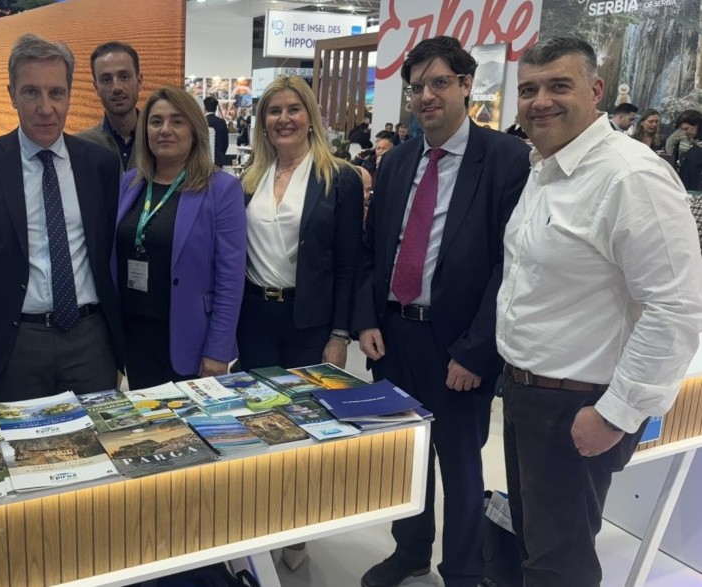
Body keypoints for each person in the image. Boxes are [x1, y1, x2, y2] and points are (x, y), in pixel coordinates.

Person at [498, 37, 702, 587]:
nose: (540, 101)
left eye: (558, 86)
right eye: (529, 90)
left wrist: (616, 414)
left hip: (577, 405)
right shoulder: (546, 169)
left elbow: (676, 307)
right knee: (536, 547)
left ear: (595, 91)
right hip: (526, 394)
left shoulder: (630, 176)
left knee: (559, 566)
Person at [353, 36, 530, 587]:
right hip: (394, 337)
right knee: (405, 457)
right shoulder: (398, 160)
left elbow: (511, 267)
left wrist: (477, 352)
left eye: (439, 83)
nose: (426, 96)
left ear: (466, 84)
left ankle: (462, 571)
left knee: (460, 464)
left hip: (459, 346)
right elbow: (372, 249)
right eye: (417, 87)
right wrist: (367, 319)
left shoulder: (506, 160)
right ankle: (410, 551)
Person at [0, 34, 122, 403]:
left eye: (56, 93)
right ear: (12, 94)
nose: (46, 108)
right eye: (31, 92)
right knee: (22, 439)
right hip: (15, 342)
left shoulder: (100, 164)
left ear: (69, 95)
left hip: (90, 339)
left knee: (98, 436)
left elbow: (106, 246)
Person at [237, 74, 363, 570]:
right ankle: (260, 520)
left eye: (293, 109)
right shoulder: (248, 179)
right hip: (256, 319)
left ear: (310, 117)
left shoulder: (340, 179)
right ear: (262, 122)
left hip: (310, 323)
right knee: (260, 424)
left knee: (305, 430)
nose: (283, 119)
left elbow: (349, 264)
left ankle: (297, 529)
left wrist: (339, 334)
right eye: (274, 111)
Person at [112, 87, 246, 389]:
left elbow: (231, 278)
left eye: (177, 121)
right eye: (156, 121)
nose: (165, 130)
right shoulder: (129, 184)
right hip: (135, 336)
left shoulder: (221, 189)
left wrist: (218, 349)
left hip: (192, 341)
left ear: (194, 130)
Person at [78, 41, 142, 173]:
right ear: (96, 87)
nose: (116, 88)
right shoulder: (81, 146)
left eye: (124, 77)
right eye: (106, 79)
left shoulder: (161, 140)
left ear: (139, 81)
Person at [204, 96, 229, 167]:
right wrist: (220, 154)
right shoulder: (222, 122)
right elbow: (225, 143)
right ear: (215, 108)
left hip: (204, 159)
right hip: (219, 159)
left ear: (204, 108)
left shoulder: (202, 121)